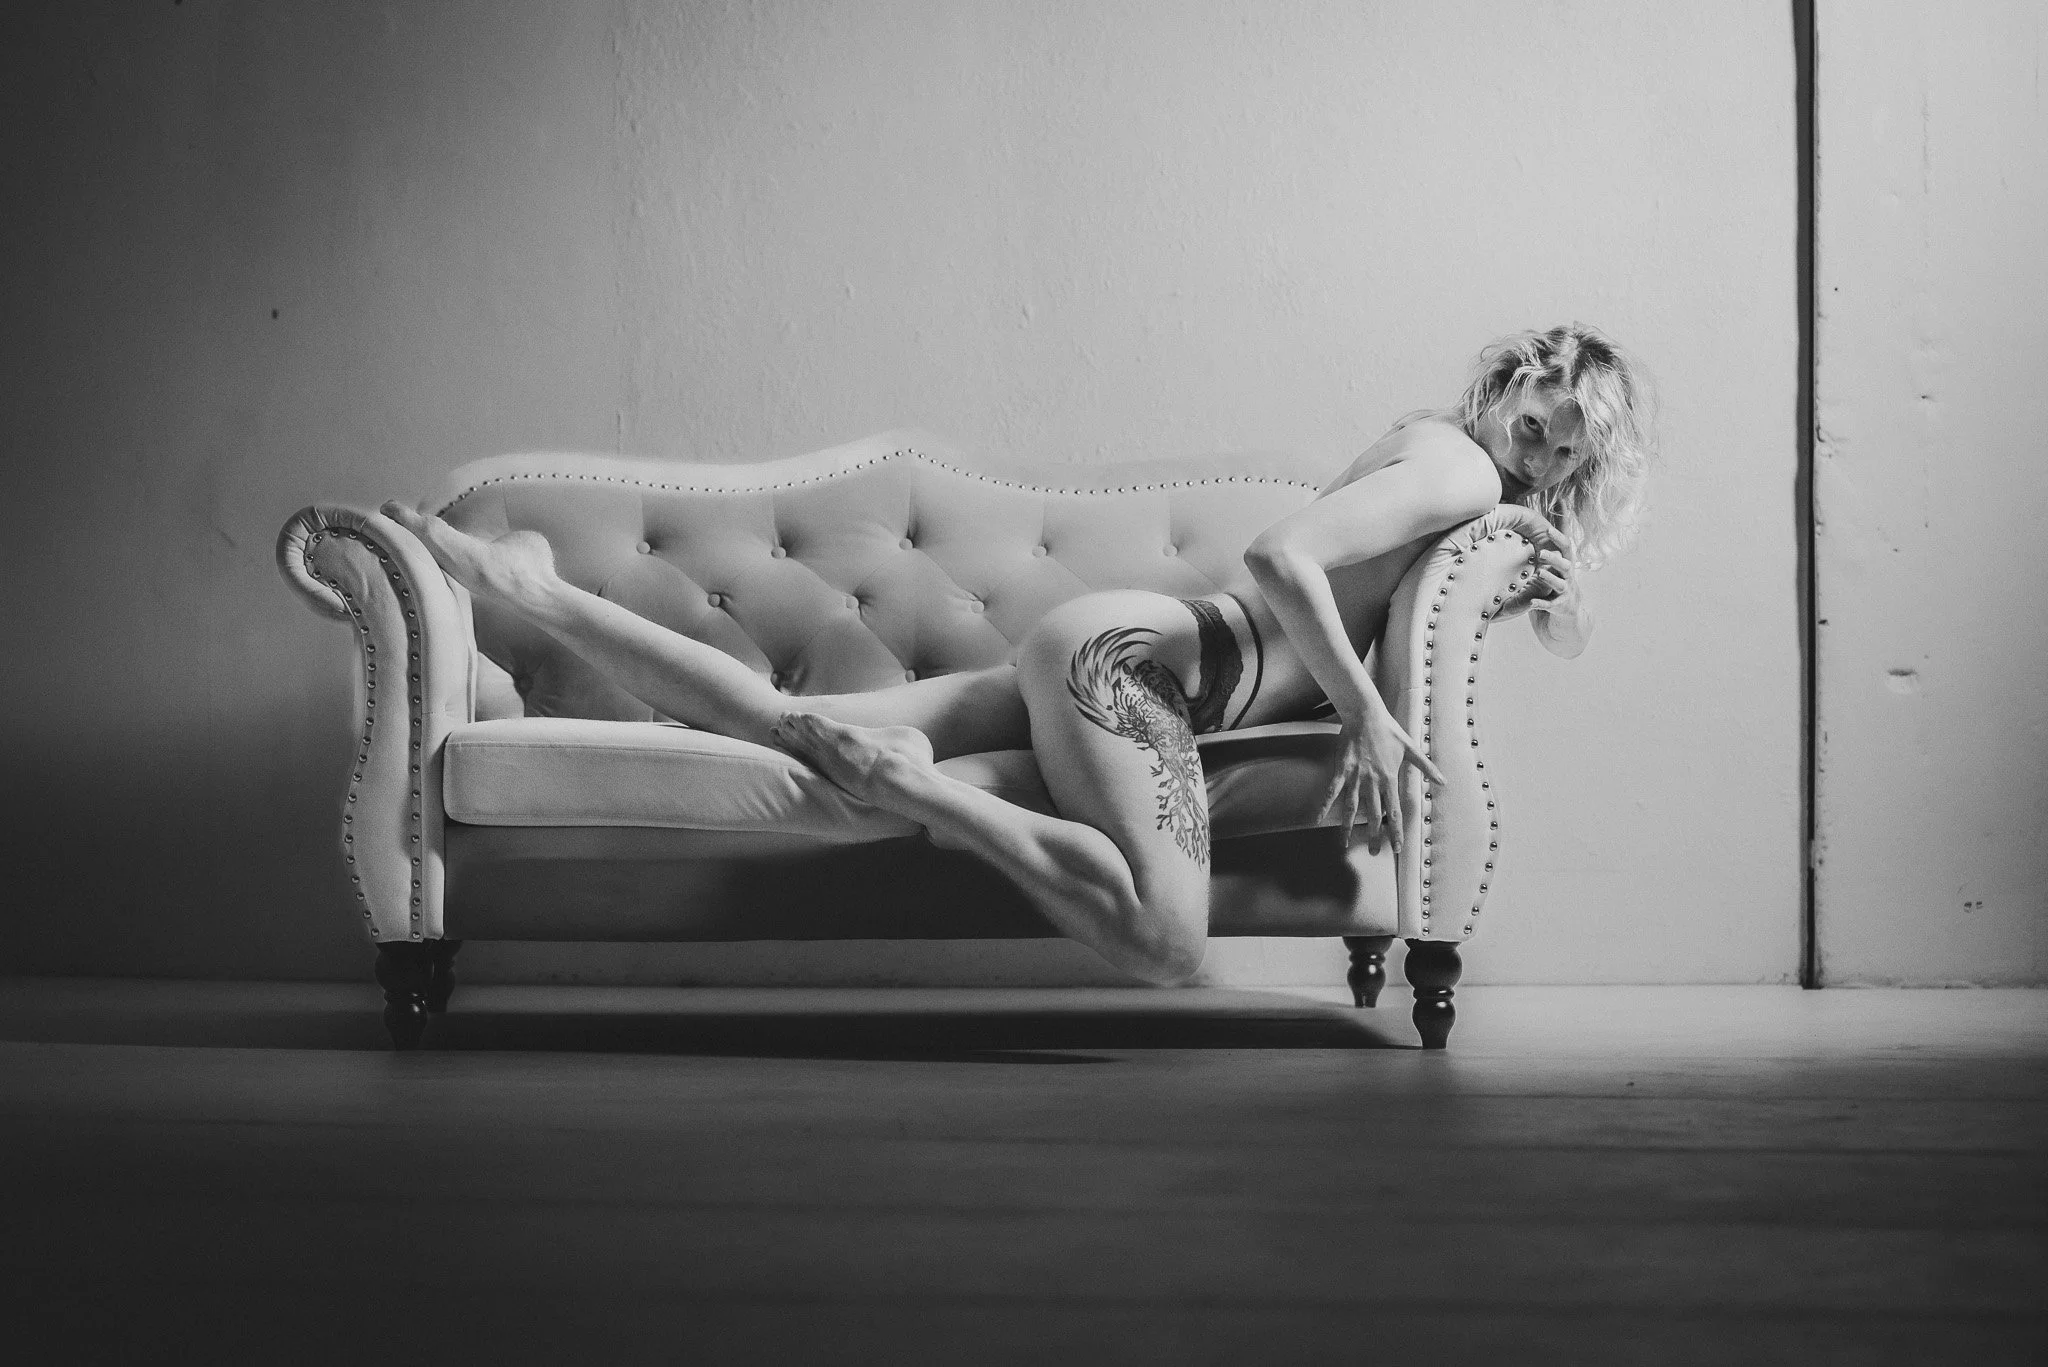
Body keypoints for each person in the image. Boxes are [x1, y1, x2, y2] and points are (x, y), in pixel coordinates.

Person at [383, 322, 1654, 987]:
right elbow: (1280, 558)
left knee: (778, 733)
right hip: (1134, 675)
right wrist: (1370, 719)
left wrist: (1555, 588)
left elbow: (1534, 617)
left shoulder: (1452, 465)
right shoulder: (1455, 462)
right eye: (1536, 415)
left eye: (1560, 451)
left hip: (1105, 654)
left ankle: (535, 590)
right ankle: (914, 789)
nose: (1534, 454)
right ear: (1509, 383)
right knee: (1165, 943)